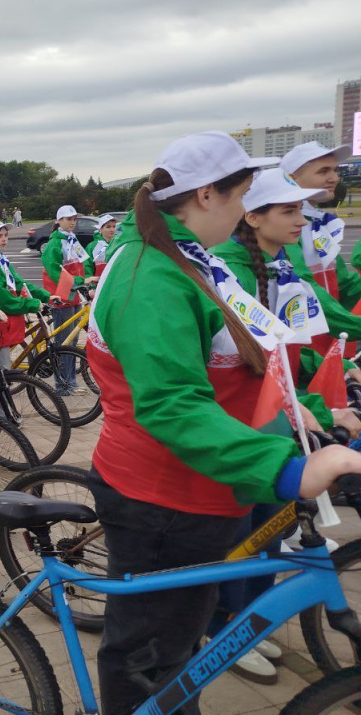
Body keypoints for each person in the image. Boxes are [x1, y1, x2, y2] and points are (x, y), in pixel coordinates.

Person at [85, 131, 361, 714]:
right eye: (242, 197)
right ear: (208, 196)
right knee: (148, 663)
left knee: (178, 651)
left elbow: (252, 369)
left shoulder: (191, 259)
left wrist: (317, 414)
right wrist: (287, 470)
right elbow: (172, 404)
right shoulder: (152, 276)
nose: (245, 211)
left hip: (204, 486)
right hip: (163, 496)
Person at [206, 167, 361, 684]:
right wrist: (315, 406)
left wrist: (316, 401)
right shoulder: (226, 270)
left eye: (302, 209)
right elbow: (253, 361)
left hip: (272, 422)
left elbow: (290, 354)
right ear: (252, 215)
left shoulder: (276, 263)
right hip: (236, 423)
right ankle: (222, 629)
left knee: (272, 530)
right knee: (238, 534)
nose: (302, 219)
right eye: (290, 210)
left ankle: (247, 622)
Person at [280, 142, 358, 355]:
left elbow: (344, 283)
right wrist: (354, 326)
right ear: (292, 178)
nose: (334, 178)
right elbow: (305, 288)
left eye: (335, 170)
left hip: (326, 341)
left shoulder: (319, 223)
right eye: (323, 171)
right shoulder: (286, 228)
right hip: (301, 346)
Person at [0, 220, 53, 375]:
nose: (4, 239)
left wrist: (45, 296)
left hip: (1, 323)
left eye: (5, 235)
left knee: (0, 372)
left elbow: (18, 283)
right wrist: (31, 304)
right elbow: (1, 298)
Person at [41, 205, 97, 394]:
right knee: (64, 343)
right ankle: (62, 385)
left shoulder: (72, 240)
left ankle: (70, 381)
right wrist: (81, 281)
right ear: (59, 221)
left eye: (74, 219)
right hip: (62, 298)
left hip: (73, 298)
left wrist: (86, 285)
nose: (73, 222)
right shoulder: (55, 243)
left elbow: (81, 265)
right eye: (68, 219)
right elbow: (55, 273)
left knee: (71, 343)